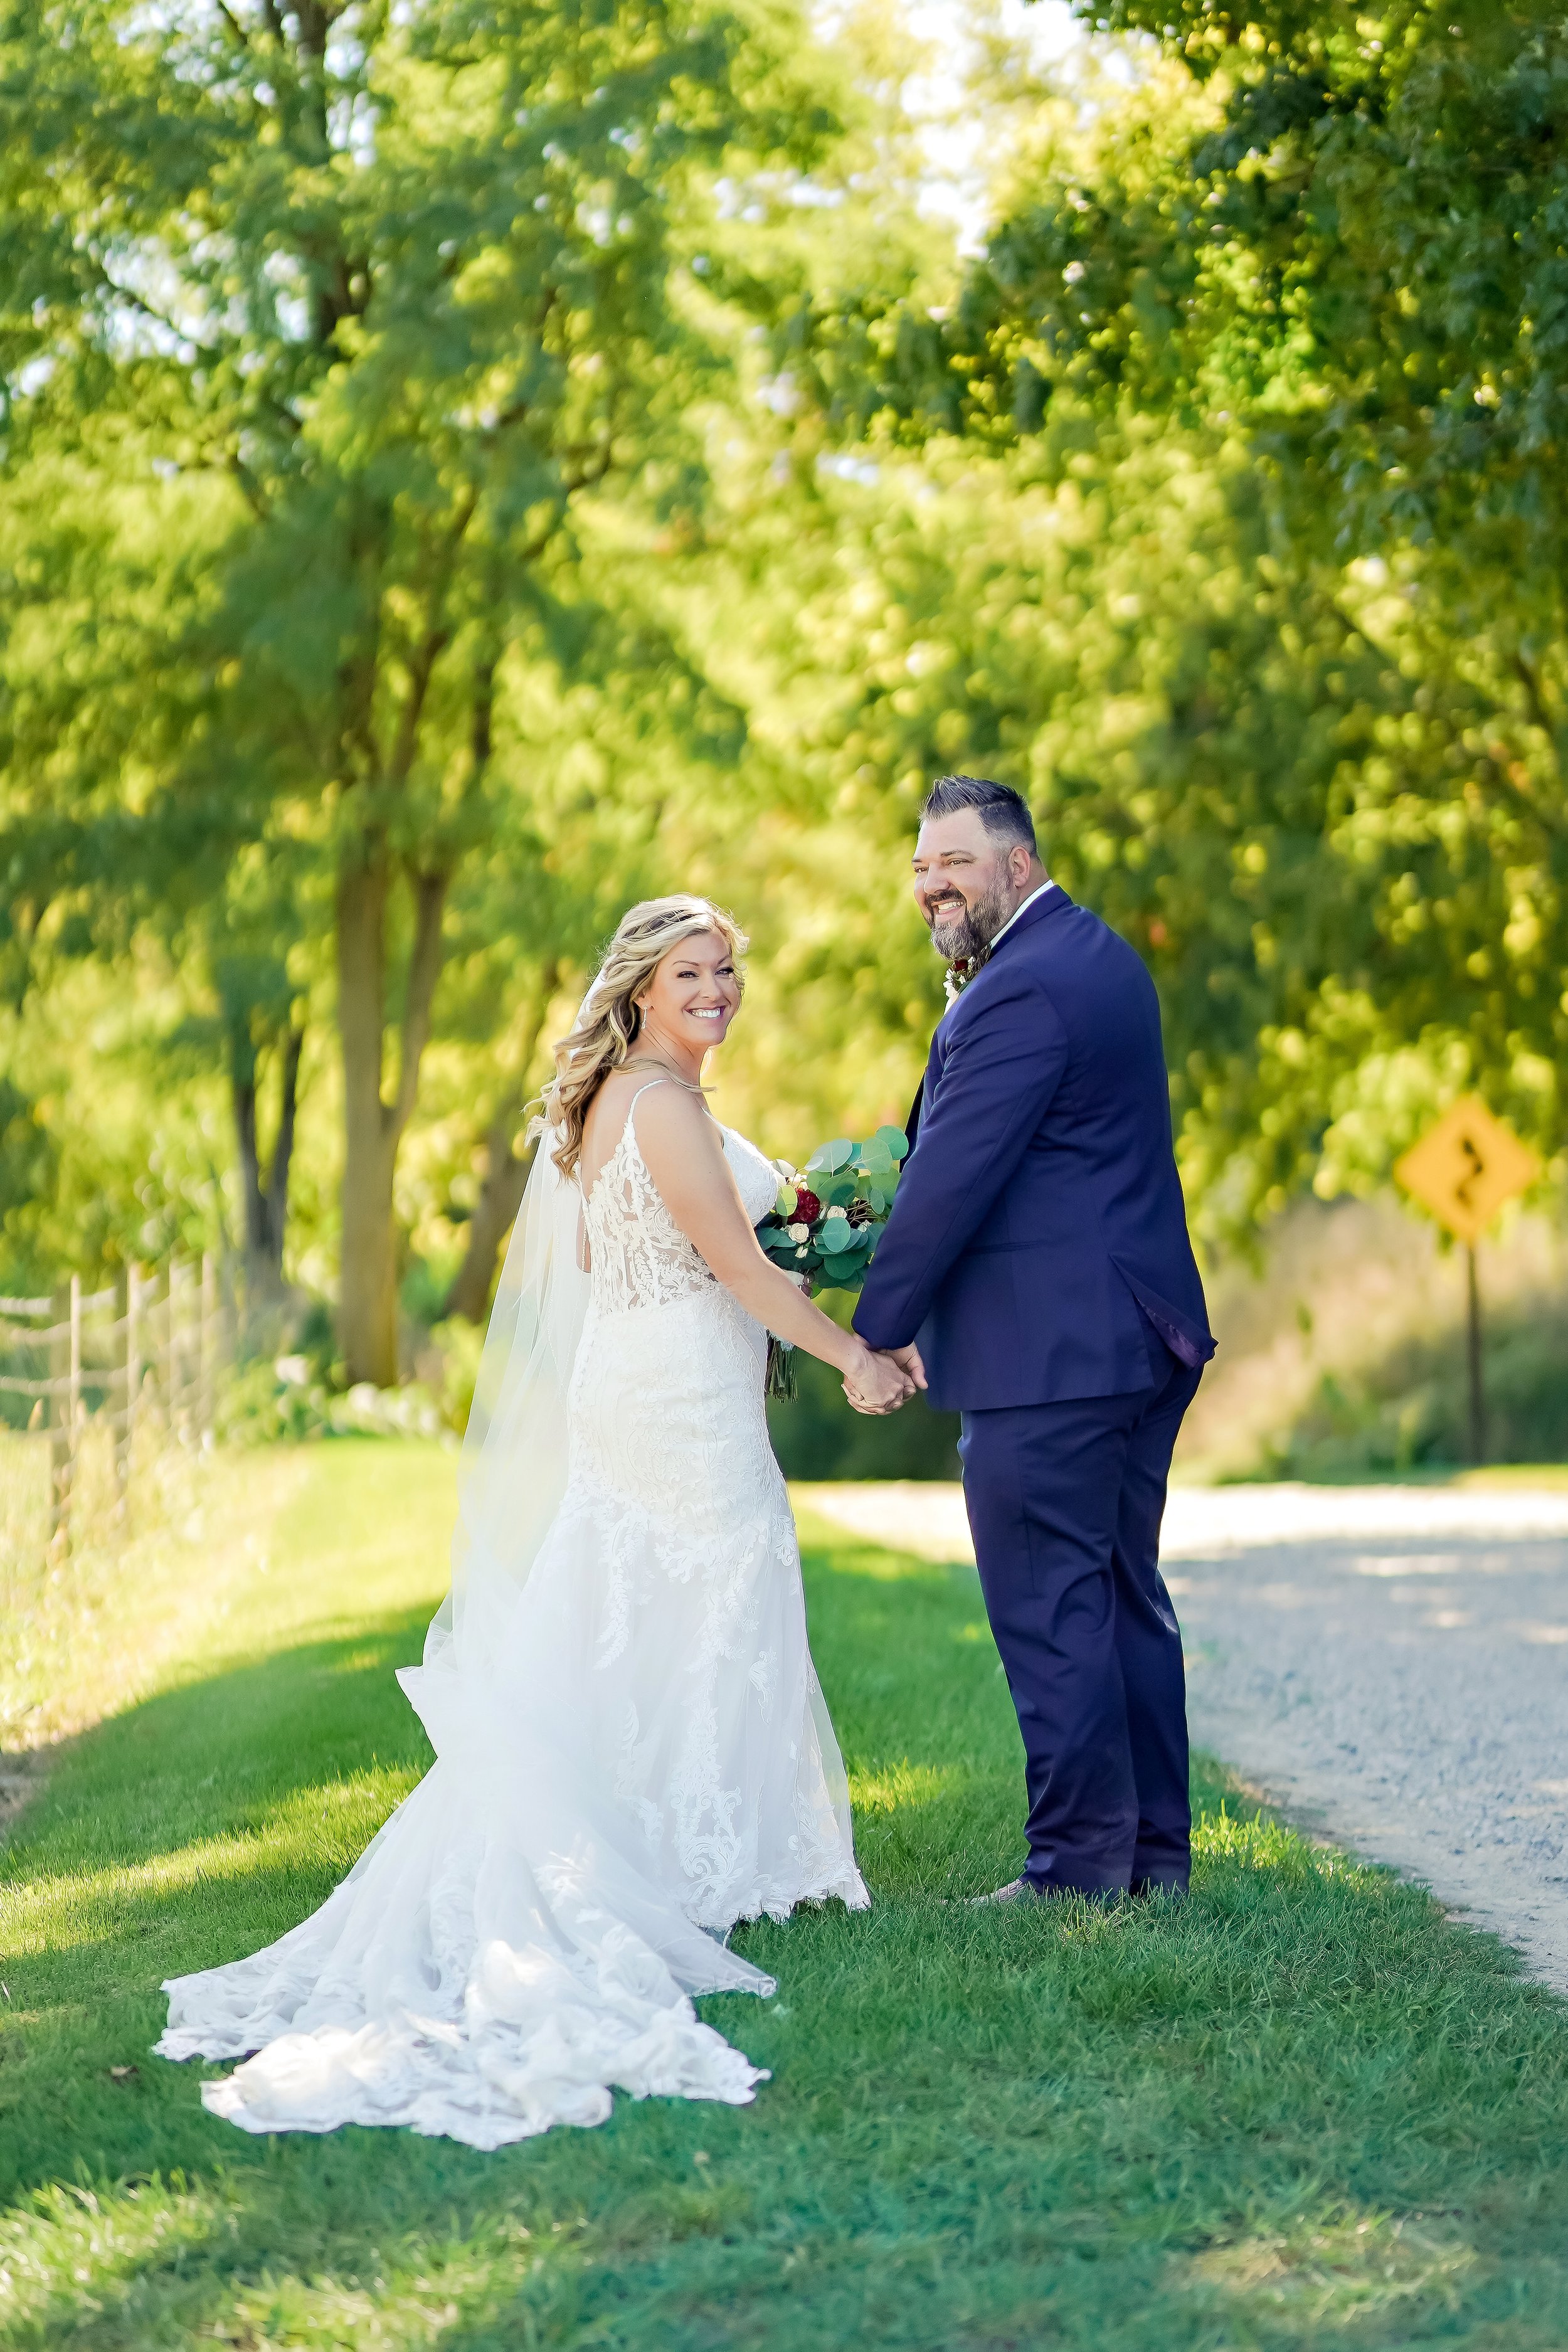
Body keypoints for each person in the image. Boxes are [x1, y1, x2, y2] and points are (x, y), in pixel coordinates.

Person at [156, 896, 912, 2146]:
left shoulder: (626, 1096)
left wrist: (817, 1228)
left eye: (727, 968)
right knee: (710, 1597)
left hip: (642, 1377)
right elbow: (731, 1263)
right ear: (640, 986)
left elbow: (689, 1248)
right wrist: (851, 1356)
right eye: (690, 971)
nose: (717, 988)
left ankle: (679, 1849)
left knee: (648, 1606)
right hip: (671, 1391)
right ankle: (689, 1866)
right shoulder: (659, 1106)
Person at [854, 776, 1215, 1903]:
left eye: (953, 863)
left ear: (1016, 863)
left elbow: (951, 1182)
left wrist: (873, 1333)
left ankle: (1072, 1869)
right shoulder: (1088, 955)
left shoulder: (1026, 989)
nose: (931, 886)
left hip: (1053, 1357)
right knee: (1116, 1599)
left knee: (1053, 1608)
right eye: (919, 867)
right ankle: (1150, 1860)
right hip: (1120, 1340)